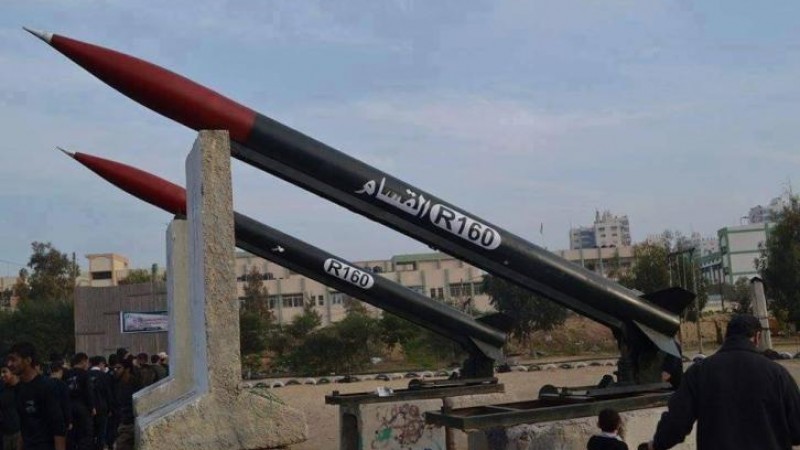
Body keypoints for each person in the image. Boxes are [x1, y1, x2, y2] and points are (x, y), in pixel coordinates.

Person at [640, 314, 800, 450]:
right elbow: (797, 430)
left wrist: (656, 445)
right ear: (757, 337)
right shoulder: (777, 374)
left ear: (726, 336)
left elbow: (677, 423)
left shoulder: (699, 372)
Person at [7, 342, 67, 450]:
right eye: (9, 360)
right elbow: (23, 423)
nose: (9, 364)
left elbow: (58, 426)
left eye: (14, 360)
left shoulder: (47, 386)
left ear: (28, 360)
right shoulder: (18, 388)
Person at [0, 366, 21, 450]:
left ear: (12, 372)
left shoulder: (23, 387)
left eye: (4, 371)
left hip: (20, 433)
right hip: (6, 434)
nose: (2, 375)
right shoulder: (2, 390)